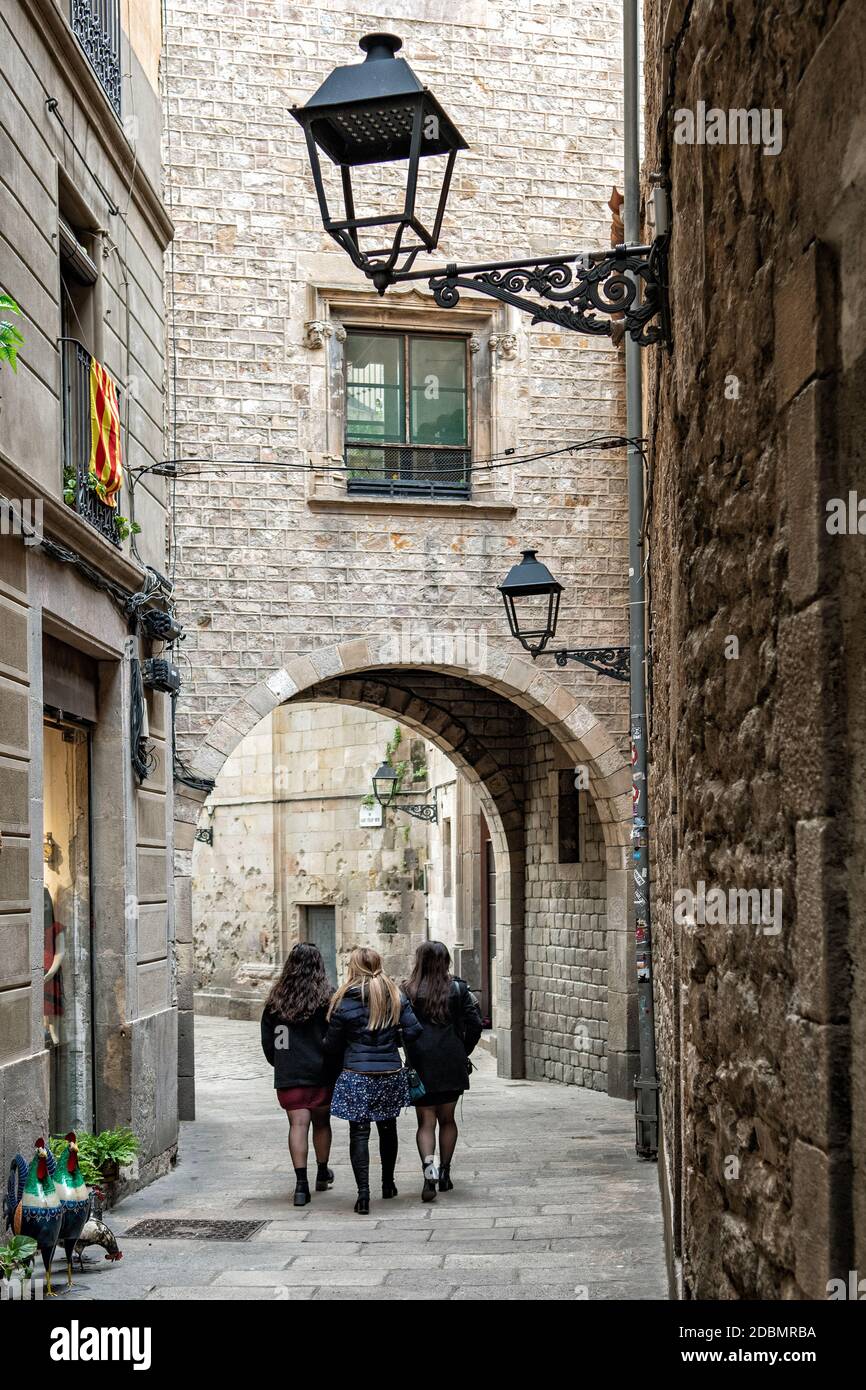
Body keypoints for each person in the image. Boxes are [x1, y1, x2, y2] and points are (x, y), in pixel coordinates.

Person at [324, 946, 422, 1215]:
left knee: (359, 1133)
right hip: (390, 1071)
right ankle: (388, 1184)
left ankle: (363, 1195)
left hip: (357, 1074)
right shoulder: (395, 994)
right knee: (388, 1128)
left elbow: (331, 1045)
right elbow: (415, 1032)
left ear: (354, 968)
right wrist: (393, 1042)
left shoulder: (343, 1000)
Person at [404, 941, 483, 1201]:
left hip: (420, 1062)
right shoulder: (459, 989)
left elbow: (399, 1028)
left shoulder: (408, 990)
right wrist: (463, 1051)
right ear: (446, 960)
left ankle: (430, 1173)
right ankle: (446, 1173)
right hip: (451, 1060)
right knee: (447, 1119)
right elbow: (475, 1024)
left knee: (425, 1122)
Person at [260, 942, 335, 1207]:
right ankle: (322, 1172)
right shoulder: (328, 998)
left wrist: (281, 1064)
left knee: (297, 1126)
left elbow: (269, 1043)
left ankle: (301, 1185)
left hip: (290, 1075)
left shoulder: (275, 1000)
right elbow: (335, 1037)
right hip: (321, 1074)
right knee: (322, 1123)